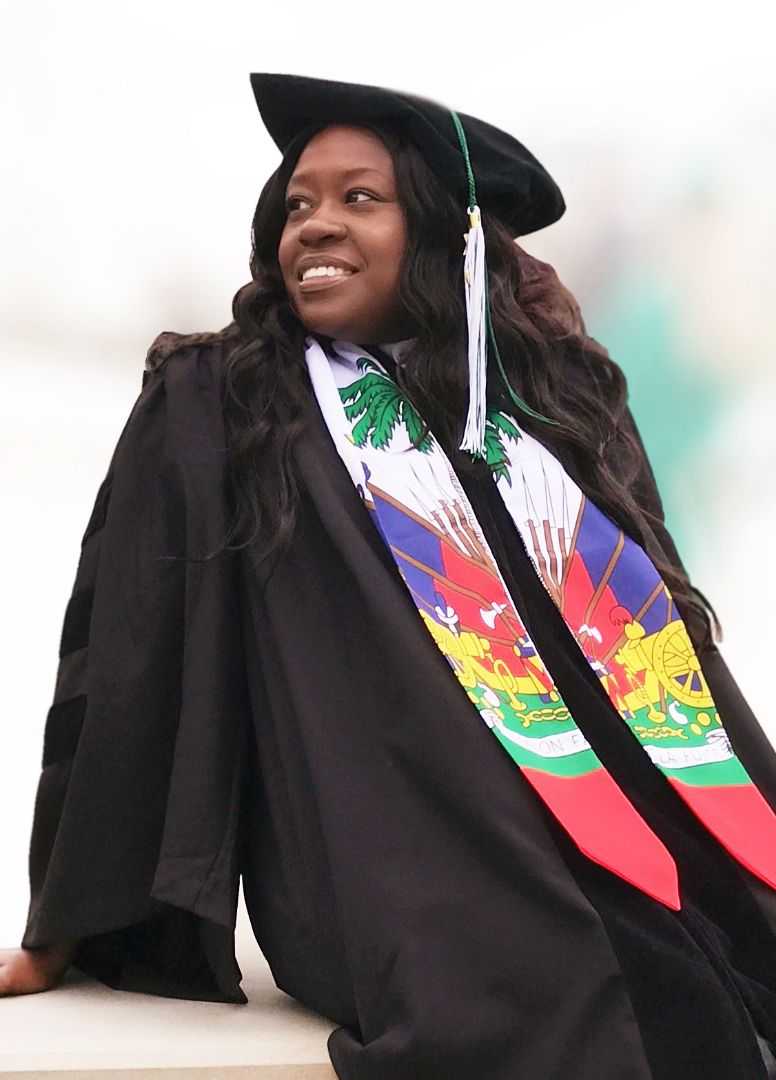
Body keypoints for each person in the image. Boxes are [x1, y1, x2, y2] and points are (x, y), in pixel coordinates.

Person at [2, 71, 776, 1080]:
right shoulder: (223, 404)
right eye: (298, 205)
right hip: (397, 856)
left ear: (443, 237)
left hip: (626, 803)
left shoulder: (550, 399)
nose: (314, 227)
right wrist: (66, 922)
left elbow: (664, 639)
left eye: (357, 199)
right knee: (603, 994)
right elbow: (125, 664)